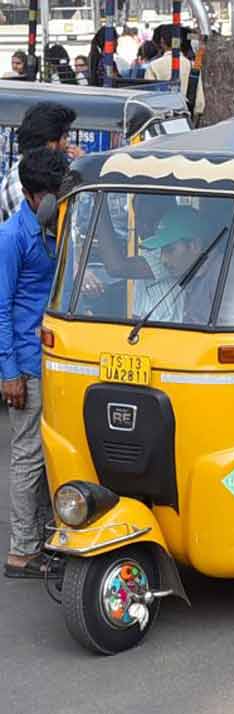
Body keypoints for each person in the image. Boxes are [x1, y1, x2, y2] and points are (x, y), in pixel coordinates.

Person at [1, 147, 67, 579]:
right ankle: (22, 551)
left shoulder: (55, 226)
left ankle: (45, 537)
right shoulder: (12, 237)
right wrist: (8, 373)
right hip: (25, 362)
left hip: (54, 356)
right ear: (28, 194)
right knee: (27, 455)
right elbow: (1, 307)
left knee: (50, 452)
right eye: (47, 195)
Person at [1, 102, 80, 223]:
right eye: (64, 138)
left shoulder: (45, 173)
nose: (67, 144)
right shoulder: (19, 180)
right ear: (51, 144)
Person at [144, 25, 205, 120]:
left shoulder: (153, 66)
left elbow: (148, 99)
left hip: (161, 119)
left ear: (162, 42)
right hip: (186, 118)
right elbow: (200, 103)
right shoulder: (192, 66)